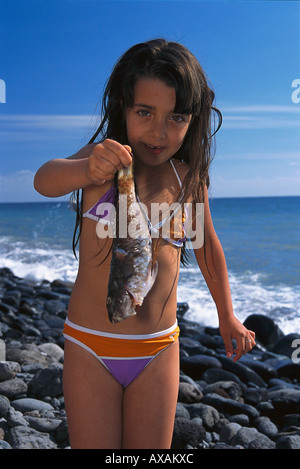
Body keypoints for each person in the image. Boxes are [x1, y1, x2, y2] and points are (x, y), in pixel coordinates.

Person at [34, 39, 256, 449]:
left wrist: (227, 315)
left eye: (176, 117)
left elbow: (206, 247)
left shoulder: (187, 178)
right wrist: (85, 166)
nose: (159, 131)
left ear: (193, 120)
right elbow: (44, 179)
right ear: (123, 108)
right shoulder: (102, 164)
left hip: (158, 349)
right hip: (90, 346)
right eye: (144, 112)